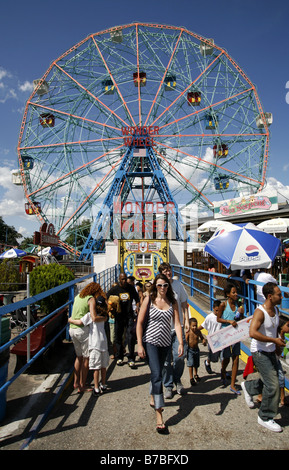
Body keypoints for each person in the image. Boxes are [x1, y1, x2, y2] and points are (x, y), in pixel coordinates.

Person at [137, 273, 184, 433]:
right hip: (151, 342)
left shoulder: (173, 302)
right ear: (155, 286)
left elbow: (177, 323)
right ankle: (159, 415)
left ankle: (152, 395)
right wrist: (139, 344)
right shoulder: (149, 300)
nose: (162, 288)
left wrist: (181, 343)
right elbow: (140, 322)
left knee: (160, 372)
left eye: (165, 285)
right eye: (159, 285)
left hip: (165, 344)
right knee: (157, 375)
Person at [241, 282, 285, 432]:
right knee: (273, 384)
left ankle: (248, 387)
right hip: (259, 352)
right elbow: (252, 333)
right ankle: (265, 417)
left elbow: (274, 330)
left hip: (271, 351)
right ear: (270, 296)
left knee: (269, 381)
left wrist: (277, 345)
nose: (282, 296)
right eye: (279, 294)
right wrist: (274, 341)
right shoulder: (260, 312)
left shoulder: (276, 310)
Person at [158, 262, 189, 398]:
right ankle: (168, 385)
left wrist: (187, 320)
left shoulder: (178, 285)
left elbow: (184, 303)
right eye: (164, 271)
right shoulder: (158, 287)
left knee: (179, 357)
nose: (168, 273)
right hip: (163, 328)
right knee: (165, 361)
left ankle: (177, 379)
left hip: (177, 326)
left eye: (169, 270)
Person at [69, 282, 106, 393]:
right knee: (86, 358)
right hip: (82, 329)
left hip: (72, 328)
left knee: (78, 357)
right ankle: (82, 384)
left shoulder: (78, 297)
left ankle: (75, 382)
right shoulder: (91, 299)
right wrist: (104, 318)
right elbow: (93, 317)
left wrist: (70, 320)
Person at [107, 273, 140, 367]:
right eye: (122, 279)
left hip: (129, 315)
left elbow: (137, 299)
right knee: (118, 337)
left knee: (130, 337)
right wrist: (110, 307)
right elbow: (106, 296)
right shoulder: (115, 289)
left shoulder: (130, 288)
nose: (124, 281)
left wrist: (137, 307)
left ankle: (131, 358)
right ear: (119, 279)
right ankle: (120, 357)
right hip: (119, 316)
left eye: (125, 279)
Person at [217, 282, 244, 394]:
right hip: (226, 334)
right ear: (228, 294)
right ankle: (223, 370)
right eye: (233, 292)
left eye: (236, 292)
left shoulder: (238, 305)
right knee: (227, 358)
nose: (236, 294)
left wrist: (241, 314)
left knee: (236, 358)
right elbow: (218, 319)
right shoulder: (223, 305)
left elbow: (240, 320)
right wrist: (228, 321)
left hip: (236, 334)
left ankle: (232, 385)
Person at [199, 299, 221, 374]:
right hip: (212, 341)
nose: (218, 312)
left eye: (219, 310)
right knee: (213, 357)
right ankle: (207, 362)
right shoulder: (209, 317)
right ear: (213, 308)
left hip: (221, 340)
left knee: (222, 357)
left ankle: (223, 371)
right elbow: (202, 326)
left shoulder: (223, 316)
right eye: (216, 310)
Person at [186, 318, 206, 385]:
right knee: (190, 364)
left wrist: (203, 340)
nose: (194, 327)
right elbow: (186, 341)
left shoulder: (198, 332)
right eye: (193, 326)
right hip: (190, 350)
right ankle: (191, 378)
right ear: (189, 326)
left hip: (196, 349)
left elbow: (202, 337)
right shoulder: (188, 332)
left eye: (195, 326)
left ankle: (196, 374)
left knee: (196, 364)